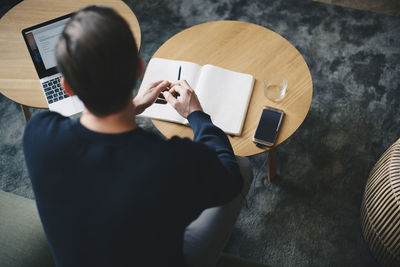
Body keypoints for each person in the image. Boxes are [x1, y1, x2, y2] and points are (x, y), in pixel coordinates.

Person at [23, 5, 253, 267]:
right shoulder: (172, 163)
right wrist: (196, 115)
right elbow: (229, 180)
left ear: (68, 87)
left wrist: (133, 106)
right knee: (241, 167)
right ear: (139, 69)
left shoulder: (37, 134)